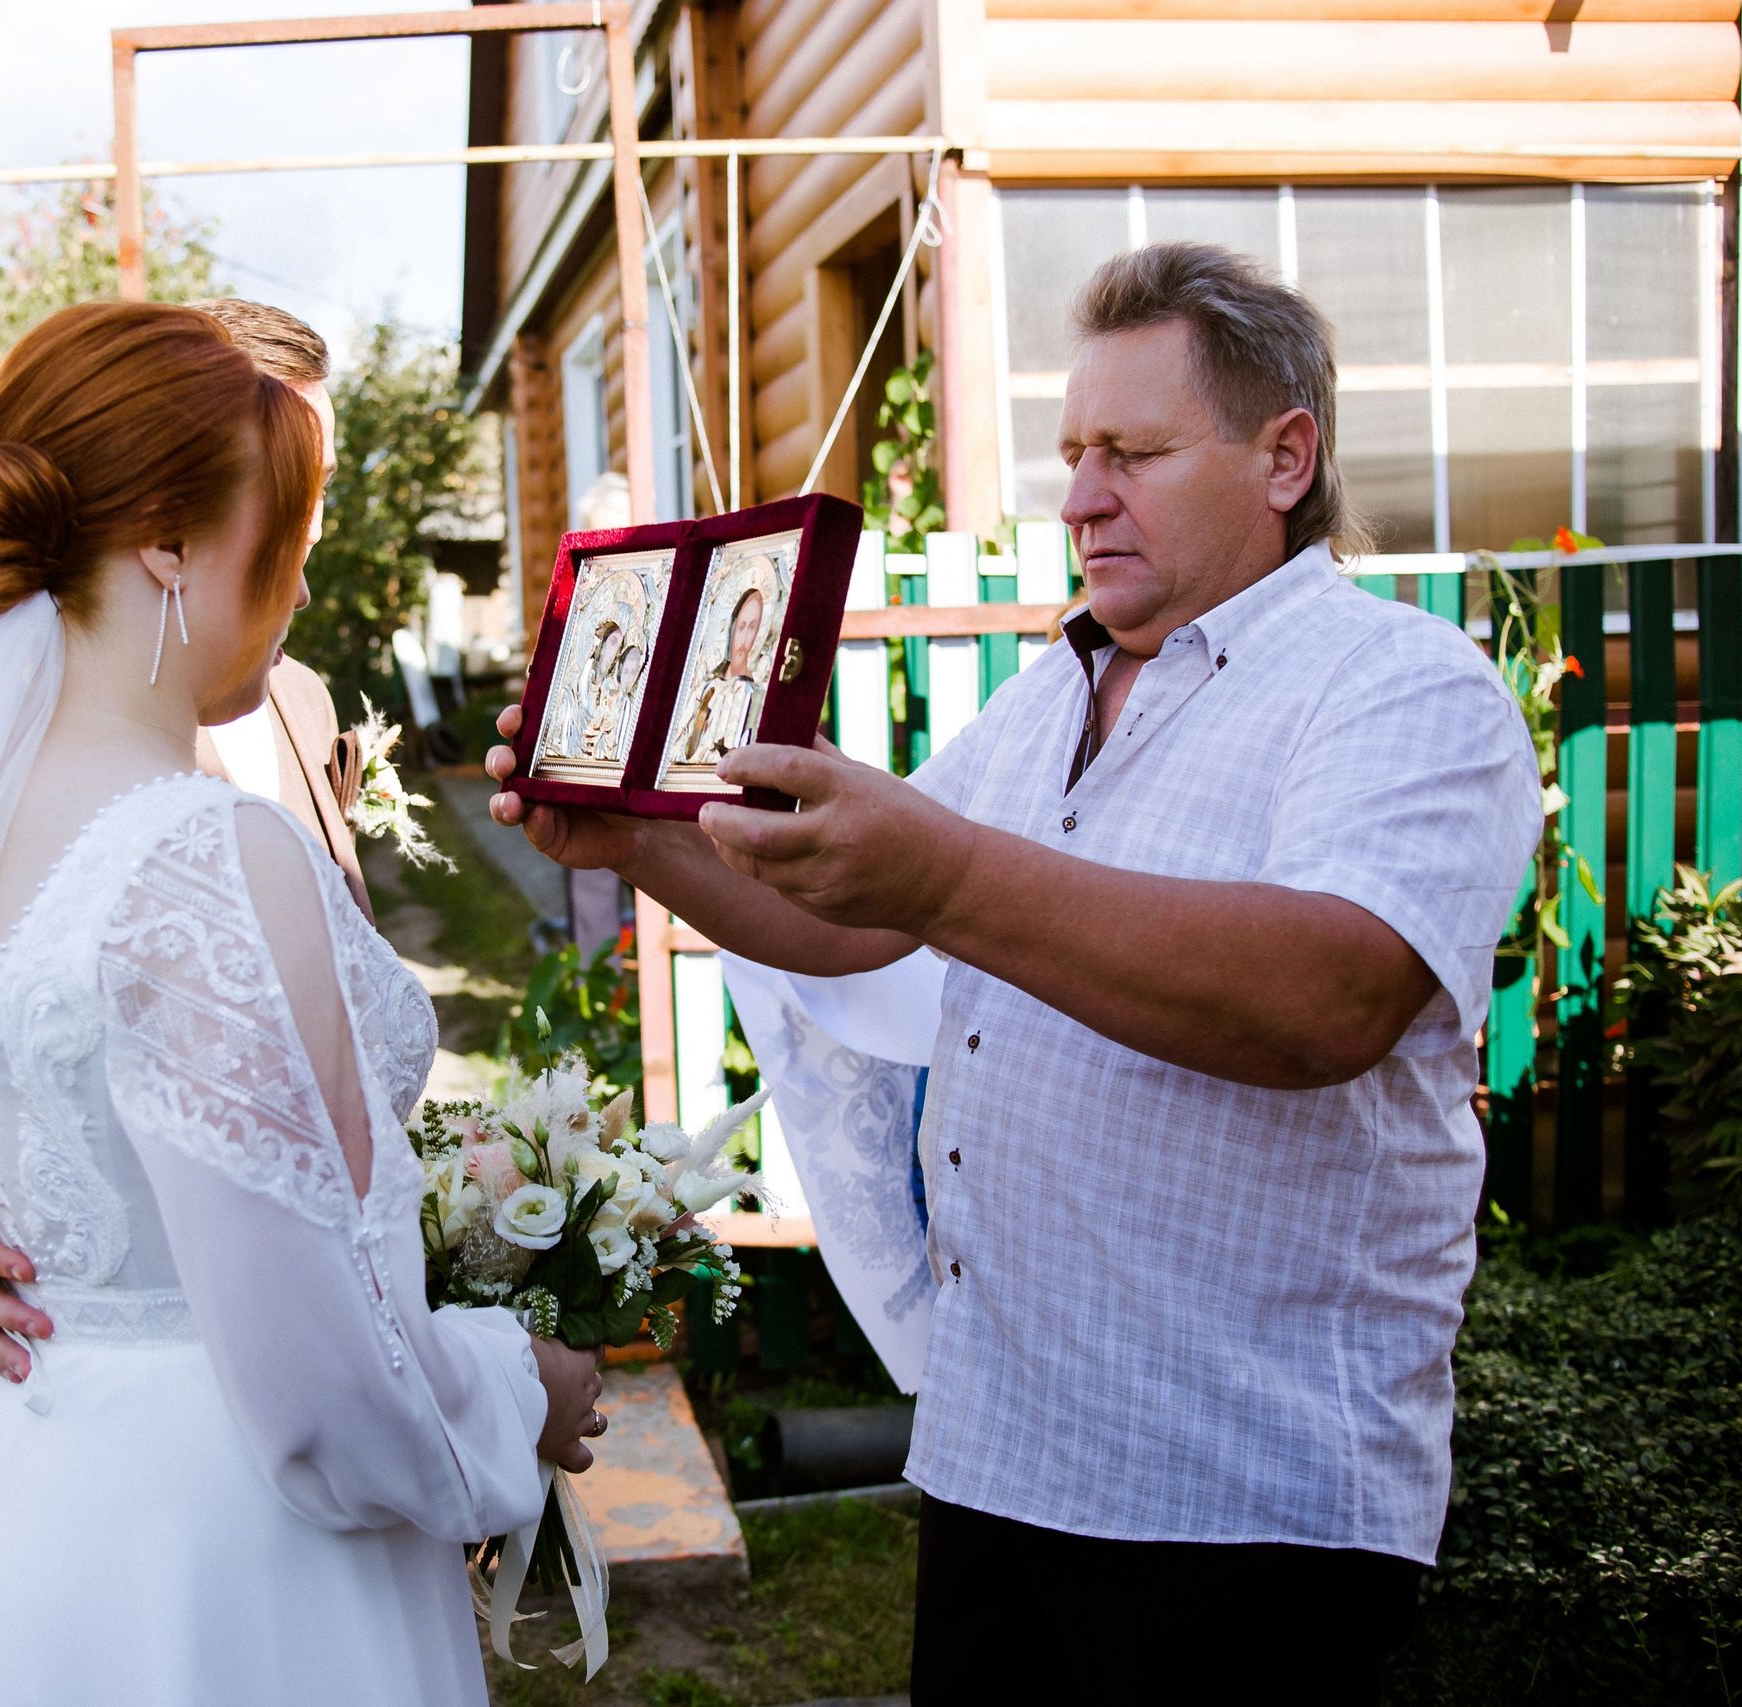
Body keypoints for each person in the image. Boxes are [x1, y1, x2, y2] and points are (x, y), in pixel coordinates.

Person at [486, 242, 1544, 1702]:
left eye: (1136, 450)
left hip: (1235, 1489)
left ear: (1286, 454)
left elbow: (1326, 999)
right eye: (1072, 451)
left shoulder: (1406, 688)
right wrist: (627, 837)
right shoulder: (1058, 690)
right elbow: (859, 925)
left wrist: (946, 870)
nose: (1082, 494)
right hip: (1007, 1447)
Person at [0, 300, 602, 1706]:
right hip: (230, 1556)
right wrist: (522, 1384)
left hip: (34, 1504)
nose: (289, 587)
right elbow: (323, 1398)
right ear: (166, 540)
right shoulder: (206, 853)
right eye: (275, 540)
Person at [0, 298, 370, 1345]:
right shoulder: (4, 730)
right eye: (290, 488)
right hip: (115, 1351)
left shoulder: (298, 699)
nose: (311, 527)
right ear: (173, 519)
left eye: (324, 486)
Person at [678, 584, 767, 763]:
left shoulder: (754, 691)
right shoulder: (706, 688)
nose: (744, 638)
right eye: (741, 627)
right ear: (732, 631)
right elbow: (682, 744)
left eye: (753, 627)